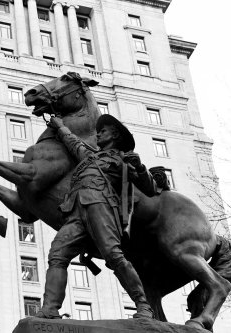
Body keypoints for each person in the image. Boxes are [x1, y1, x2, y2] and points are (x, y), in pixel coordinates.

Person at [35, 114, 157, 320]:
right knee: (57, 255)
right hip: (75, 210)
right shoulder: (90, 156)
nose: (98, 134)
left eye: (103, 131)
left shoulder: (123, 159)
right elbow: (73, 142)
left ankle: (143, 305)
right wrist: (60, 126)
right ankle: (50, 308)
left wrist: (141, 167)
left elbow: (150, 188)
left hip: (101, 206)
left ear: (115, 136)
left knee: (113, 255)